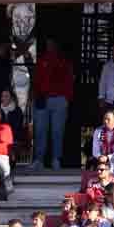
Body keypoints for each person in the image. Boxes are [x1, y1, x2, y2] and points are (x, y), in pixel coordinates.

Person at [32, 38, 74, 170]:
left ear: (57, 45)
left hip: (59, 100)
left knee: (57, 131)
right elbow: (36, 80)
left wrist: (67, 98)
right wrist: (35, 96)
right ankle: (39, 160)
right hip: (42, 99)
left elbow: (70, 81)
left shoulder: (64, 62)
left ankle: (56, 159)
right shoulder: (41, 60)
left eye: (52, 44)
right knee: (40, 130)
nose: (50, 46)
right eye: (48, 44)